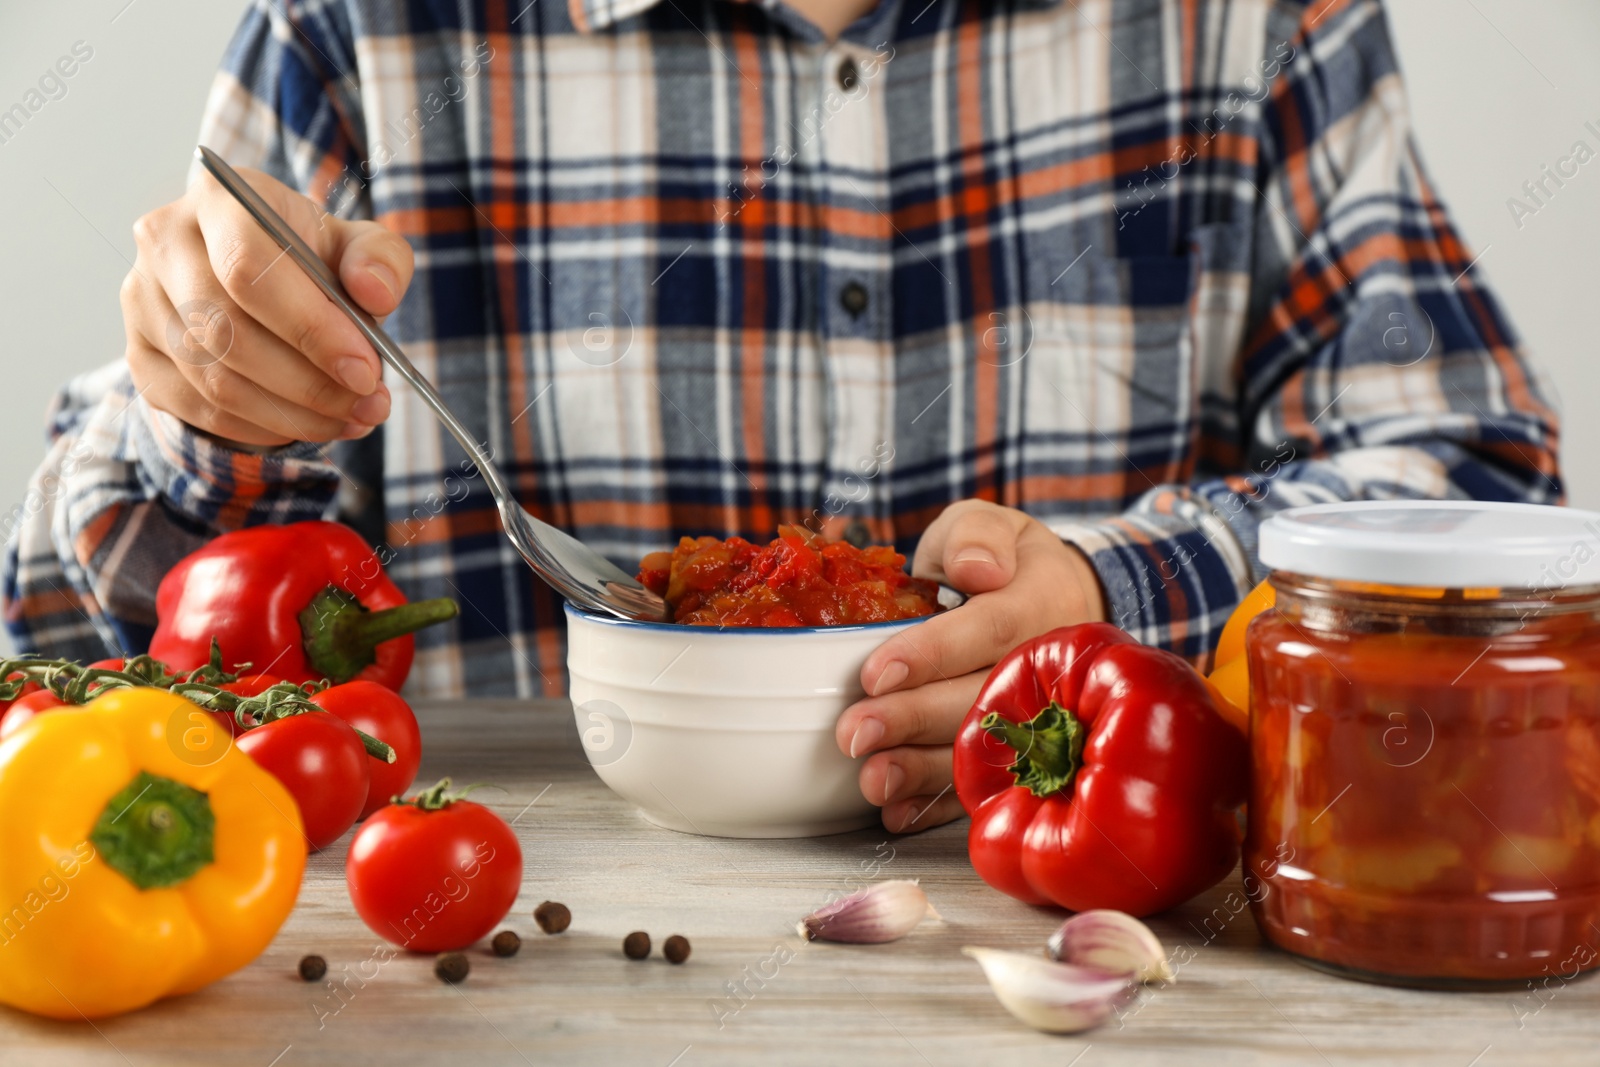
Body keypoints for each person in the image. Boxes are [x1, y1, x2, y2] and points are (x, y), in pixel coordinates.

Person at [3, 0, 1560, 833]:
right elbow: (74, 651)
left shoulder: (1256, 16)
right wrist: (200, 399)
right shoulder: (360, 24)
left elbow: (1472, 482)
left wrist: (1117, 597)